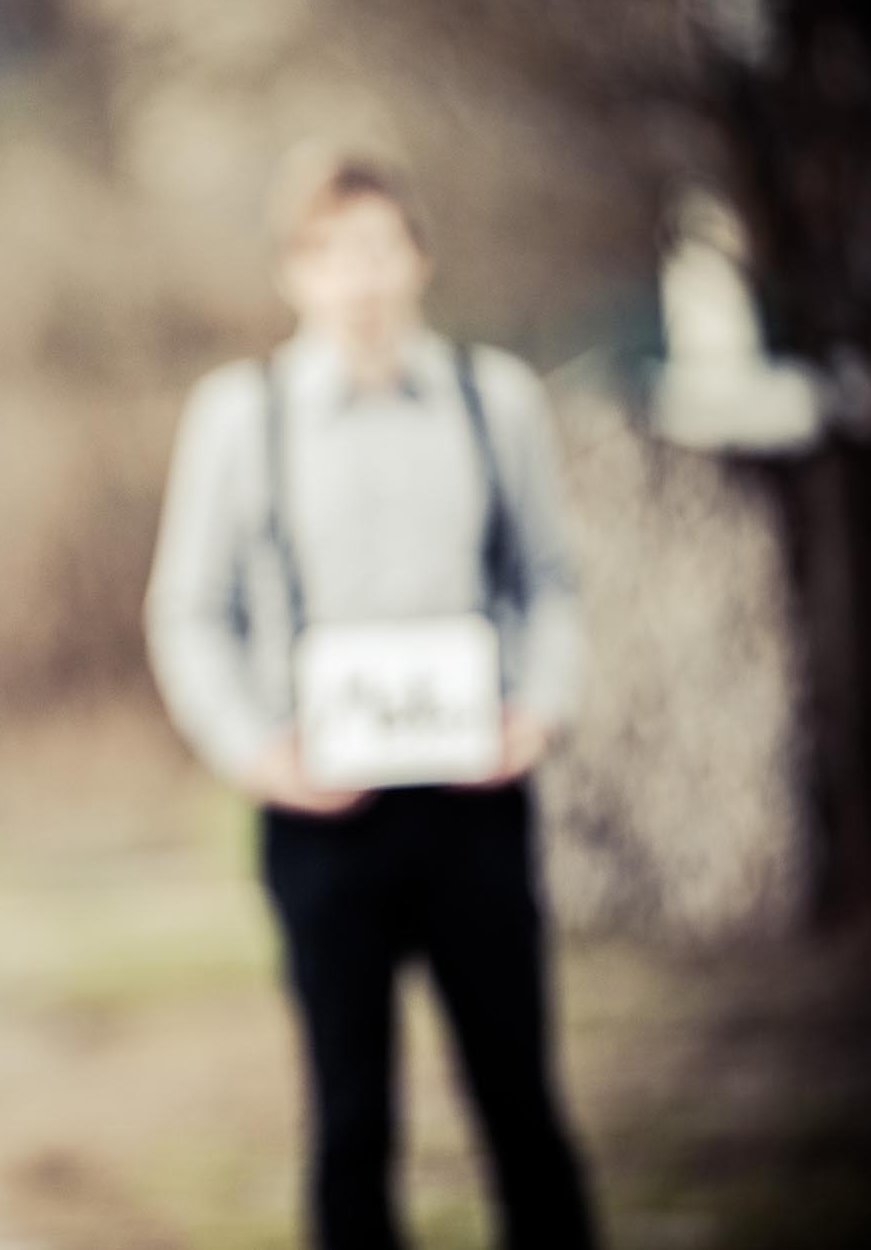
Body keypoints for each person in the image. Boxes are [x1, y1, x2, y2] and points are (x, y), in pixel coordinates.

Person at [142, 147, 601, 1250]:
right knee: (351, 1116)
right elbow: (187, 611)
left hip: (475, 802)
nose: (359, 276)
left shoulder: (494, 399)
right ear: (293, 272)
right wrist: (257, 754)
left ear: (418, 259)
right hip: (320, 821)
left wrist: (536, 712)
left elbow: (550, 580)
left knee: (521, 1100)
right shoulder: (239, 414)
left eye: (379, 248)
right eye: (330, 252)